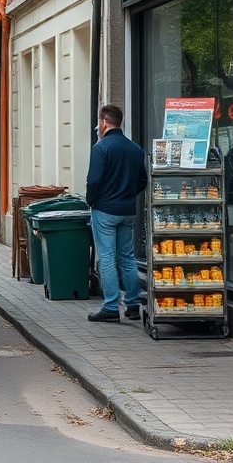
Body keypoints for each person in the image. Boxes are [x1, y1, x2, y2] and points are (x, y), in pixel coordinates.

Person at [85, 104, 146, 322]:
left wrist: (91, 201)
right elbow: (142, 181)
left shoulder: (101, 148)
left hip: (105, 210)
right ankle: (133, 304)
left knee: (107, 258)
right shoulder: (135, 149)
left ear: (103, 122)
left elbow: (94, 181)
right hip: (127, 210)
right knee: (127, 257)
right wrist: (127, 195)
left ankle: (111, 306)